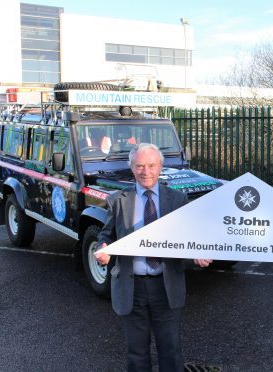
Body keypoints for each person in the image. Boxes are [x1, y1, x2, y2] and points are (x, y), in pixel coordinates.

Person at [94, 143, 211, 372]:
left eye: (151, 165)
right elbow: (106, 234)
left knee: (170, 352)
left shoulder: (176, 199)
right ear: (132, 168)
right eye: (139, 166)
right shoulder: (118, 200)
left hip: (165, 286)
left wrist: (197, 253)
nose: (145, 171)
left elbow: (188, 235)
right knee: (136, 355)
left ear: (160, 167)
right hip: (131, 287)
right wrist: (103, 249)